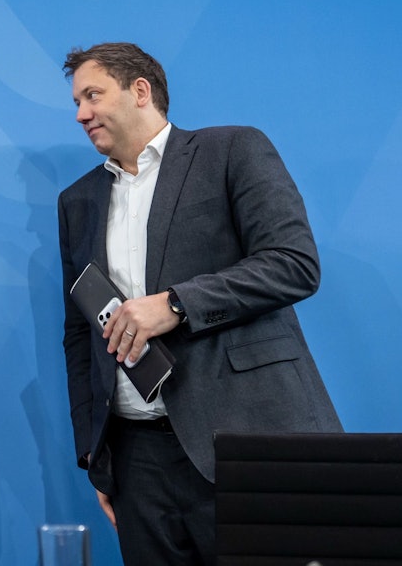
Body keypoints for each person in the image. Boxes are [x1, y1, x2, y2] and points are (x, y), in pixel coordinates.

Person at [58, 42, 340, 565]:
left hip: (243, 442)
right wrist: (95, 455)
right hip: (136, 462)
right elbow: (79, 333)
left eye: (92, 95)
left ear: (140, 91)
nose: (81, 114)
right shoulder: (77, 201)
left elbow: (293, 262)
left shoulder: (231, 150)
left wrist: (177, 303)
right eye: (76, 102)